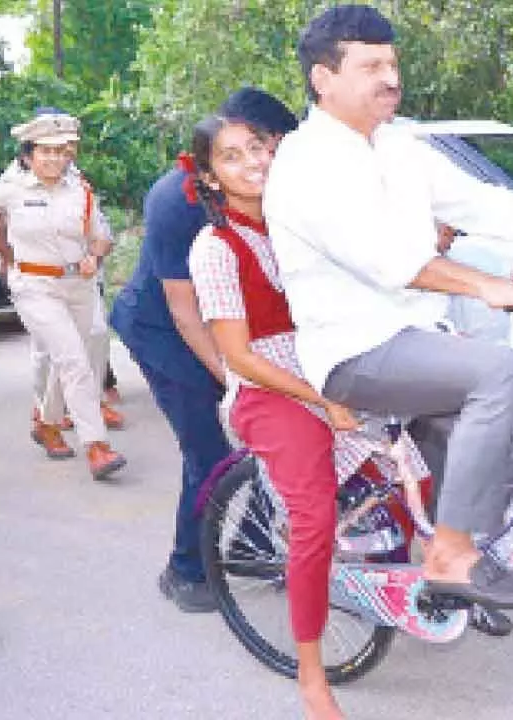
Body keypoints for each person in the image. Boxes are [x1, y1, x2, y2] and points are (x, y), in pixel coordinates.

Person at [264, 6, 513, 609]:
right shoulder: (304, 165)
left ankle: (450, 558)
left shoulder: (398, 146)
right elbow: (387, 260)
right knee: (499, 372)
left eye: (392, 62)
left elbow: (486, 205)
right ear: (323, 79)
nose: (390, 77)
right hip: (354, 351)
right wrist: (495, 289)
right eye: (371, 66)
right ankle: (449, 553)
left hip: (419, 337)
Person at [188, 115, 387, 720]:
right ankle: (310, 676)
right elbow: (239, 355)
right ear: (210, 177)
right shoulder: (214, 247)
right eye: (231, 156)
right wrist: (321, 400)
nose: (251, 162)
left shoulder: (297, 222)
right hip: (267, 388)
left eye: (257, 147)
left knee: (413, 459)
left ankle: (427, 576)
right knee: (313, 515)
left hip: (329, 365)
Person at [109, 88, 299, 614]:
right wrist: (234, 375)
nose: (265, 159)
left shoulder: (274, 188)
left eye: (268, 148)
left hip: (230, 319)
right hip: (163, 331)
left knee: (274, 432)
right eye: (260, 146)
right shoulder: (177, 199)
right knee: (210, 450)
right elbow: (183, 308)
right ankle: (185, 569)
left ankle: (249, 546)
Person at [0, 112, 127, 478]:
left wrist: (95, 255)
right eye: (46, 151)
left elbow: (101, 234)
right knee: (73, 359)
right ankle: (97, 445)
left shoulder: (81, 191)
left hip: (77, 284)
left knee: (75, 353)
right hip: (34, 286)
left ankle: (46, 423)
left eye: (62, 151)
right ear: (28, 155)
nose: (55, 159)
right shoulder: (11, 190)